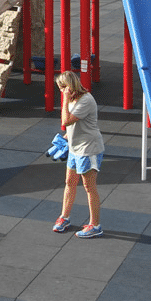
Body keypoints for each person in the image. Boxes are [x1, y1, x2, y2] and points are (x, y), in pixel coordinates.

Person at [52, 70, 105, 238]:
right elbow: (71, 126)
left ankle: (95, 225)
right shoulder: (73, 98)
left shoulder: (86, 100)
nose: (61, 91)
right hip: (76, 148)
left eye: (63, 87)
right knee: (69, 182)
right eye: (59, 88)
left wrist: (65, 99)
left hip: (88, 149)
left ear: (71, 86)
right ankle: (64, 217)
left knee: (89, 187)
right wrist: (66, 138)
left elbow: (65, 121)